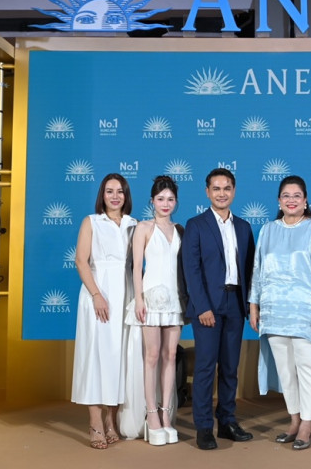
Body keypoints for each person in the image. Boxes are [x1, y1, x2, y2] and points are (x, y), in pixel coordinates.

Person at [249, 176, 311, 451]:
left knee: (308, 368)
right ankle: (294, 420)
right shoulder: (268, 230)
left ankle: (308, 424)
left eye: (297, 195)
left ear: (305, 200)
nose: (291, 200)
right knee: (286, 371)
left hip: (307, 311)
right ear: (278, 200)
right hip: (274, 311)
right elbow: (258, 270)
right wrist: (254, 305)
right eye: (286, 195)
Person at [181, 168, 255, 450]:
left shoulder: (244, 227)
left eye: (227, 188)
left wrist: (249, 305)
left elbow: (249, 270)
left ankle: (226, 421)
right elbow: (191, 269)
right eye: (216, 188)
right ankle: (203, 427)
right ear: (207, 192)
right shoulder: (196, 225)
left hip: (235, 303)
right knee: (205, 367)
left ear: (233, 191)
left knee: (230, 367)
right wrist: (202, 307)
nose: (221, 193)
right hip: (208, 306)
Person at [71, 173, 137, 449]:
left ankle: (111, 420)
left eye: (120, 191)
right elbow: (81, 261)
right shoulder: (92, 221)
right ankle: (95, 423)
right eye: (109, 191)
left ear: (126, 195)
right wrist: (97, 295)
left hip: (126, 295)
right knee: (95, 357)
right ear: (102, 194)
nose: (115, 196)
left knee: (119, 358)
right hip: (98, 294)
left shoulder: (134, 224)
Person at [124, 176, 187, 446]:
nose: (165, 203)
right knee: (151, 357)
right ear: (152, 201)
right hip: (150, 299)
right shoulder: (143, 228)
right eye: (160, 199)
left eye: (170, 199)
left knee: (170, 355)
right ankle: (151, 416)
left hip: (174, 301)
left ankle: (166, 415)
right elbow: (136, 267)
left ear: (176, 202)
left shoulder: (180, 230)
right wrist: (139, 299)